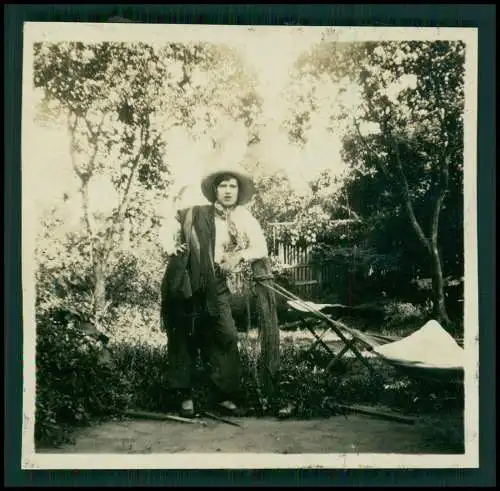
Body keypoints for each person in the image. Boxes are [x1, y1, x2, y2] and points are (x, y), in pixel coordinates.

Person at [159, 163, 268, 418]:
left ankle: (224, 396)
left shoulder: (243, 217)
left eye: (233, 186)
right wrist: (170, 246)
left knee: (226, 334)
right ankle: (184, 396)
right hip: (187, 282)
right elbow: (169, 226)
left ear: (238, 191)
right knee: (183, 334)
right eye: (223, 185)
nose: (228, 190)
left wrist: (240, 256)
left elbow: (260, 248)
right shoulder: (196, 212)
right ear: (215, 189)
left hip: (216, 284)